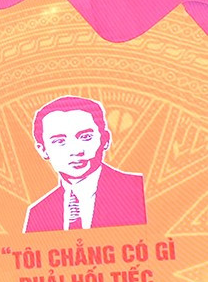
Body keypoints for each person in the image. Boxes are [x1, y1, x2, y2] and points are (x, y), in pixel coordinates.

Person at [23, 96, 146, 233]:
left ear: (105, 139)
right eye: (59, 141)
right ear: (43, 150)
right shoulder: (38, 213)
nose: (76, 151)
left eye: (85, 137)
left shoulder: (138, 191)